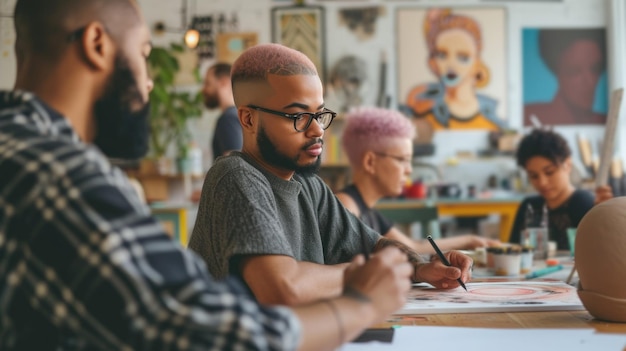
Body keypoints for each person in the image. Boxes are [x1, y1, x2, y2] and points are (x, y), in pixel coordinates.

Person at [0, 0, 416, 349]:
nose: (148, 84)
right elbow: (194, 327)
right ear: (96, 44)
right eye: (144, 55)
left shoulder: (19, 152)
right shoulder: (57, 173)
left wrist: (415, 264)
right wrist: (360, 304)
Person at [188, 43, 473, 306]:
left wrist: (422, 266)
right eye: (299, 117)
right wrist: (371, 271)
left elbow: (376, 246)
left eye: (320, 114)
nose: (318, 130)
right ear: (248, 119)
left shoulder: (309, 186)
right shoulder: (235, 176)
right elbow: (283, 288)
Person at [335, 107, 500, 254]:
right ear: (370, 162)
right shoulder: (346, 207)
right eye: (402, 160)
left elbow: (413, 246)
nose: (409, 170)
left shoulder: (368, 210)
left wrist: (470, 241)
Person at [404, 8, 505, 131]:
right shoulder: (426, 120)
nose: (451, 65)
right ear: (434, 62)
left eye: (463, 57)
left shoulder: (492, 124)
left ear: (477, 63)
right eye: (442, 55)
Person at [509, 129, 594, 250]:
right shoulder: (528, 207)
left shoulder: (585, 204)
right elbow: (512, 251)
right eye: (533, 176)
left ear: (568, 165)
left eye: (549, 172)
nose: (542, 182)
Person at [524, 29, 606, 126]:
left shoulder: (605, 120)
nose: (589, 81)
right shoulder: (528, 116)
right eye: (575, 71)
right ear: (557, 70)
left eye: (594, 69)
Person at [202, 62, 242, 161]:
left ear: (223, 82)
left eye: (208, 83)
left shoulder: (228, 119)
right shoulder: (237, 115)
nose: (203, 90)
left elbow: (234, 167)